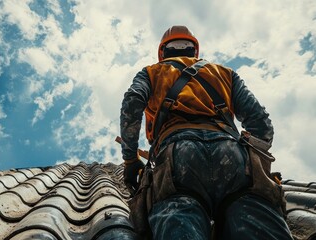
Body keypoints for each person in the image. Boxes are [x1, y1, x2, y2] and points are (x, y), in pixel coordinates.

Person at [120, 25, 293, 239]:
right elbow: (261, 124)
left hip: (178, 156)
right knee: (256, 217)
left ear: (162, 52)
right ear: (194, 50)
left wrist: (130, 160)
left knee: (179, 216)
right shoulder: (224, 73)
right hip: (232, 154)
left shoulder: (151, 72)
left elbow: (132, 103)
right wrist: (252, 162)